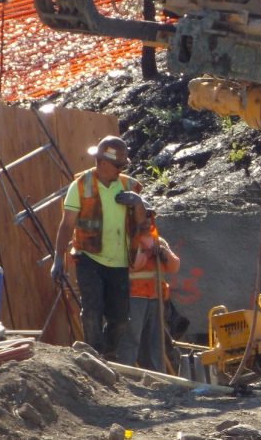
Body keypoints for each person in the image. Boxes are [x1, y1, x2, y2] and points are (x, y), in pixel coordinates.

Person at [51, 135, 149, 359]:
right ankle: (94, 356)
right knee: (92, 311)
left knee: (120, 319)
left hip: (120, 261)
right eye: (118, 165)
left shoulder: (129, 186)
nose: (121, 169)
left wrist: (138, 202)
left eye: (124, 165)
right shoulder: (82, 185)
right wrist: (59, 258)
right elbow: (67, 225)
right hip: (89, 257)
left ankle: (109, 355)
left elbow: (143, 222)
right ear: (103, 162)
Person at [116, 213, 180, 372]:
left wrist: (163, 253)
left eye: (148, 217)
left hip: (155, 297)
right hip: (134, 297)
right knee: (132, 337)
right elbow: (131, 265)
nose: (146, 221)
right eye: (142, 217)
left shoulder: (158, 241)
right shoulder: (129, 240)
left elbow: (174, 266)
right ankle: (127, 373)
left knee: (156, 340)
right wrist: (148, 253)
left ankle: (158, 377)